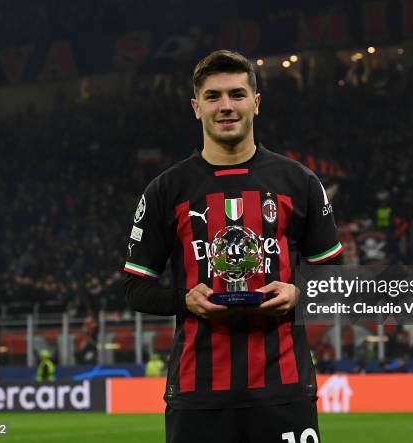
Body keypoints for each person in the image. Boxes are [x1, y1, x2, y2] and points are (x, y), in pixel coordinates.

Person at [124, 50, 343, 443]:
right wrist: (184, 300)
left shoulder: (300, 182)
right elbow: (134, 287)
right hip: (198, 395)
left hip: (284, 391)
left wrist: (298, 293)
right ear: (196, 108)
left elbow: (337, 279)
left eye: (237, 94)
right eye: (213, 96)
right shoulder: (166, 190)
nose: (226, 106)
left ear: (256, 104)